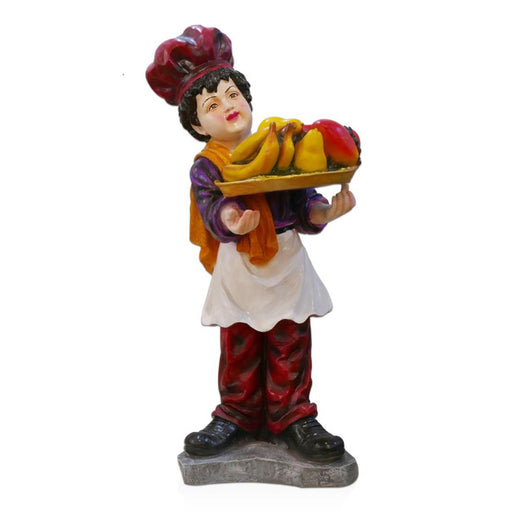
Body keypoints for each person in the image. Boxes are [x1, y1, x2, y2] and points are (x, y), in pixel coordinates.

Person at [146, 25, 357, 463]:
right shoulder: (208, 166)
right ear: (196, 124)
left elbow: (303, 197)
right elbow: (210, 205)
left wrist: (324, 212)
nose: (228, 106)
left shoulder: (276, 145)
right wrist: (232, 220)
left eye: (233, 95)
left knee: (289, 340)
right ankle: (237, 414)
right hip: (239, 263)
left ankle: (293, 413)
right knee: (239, 341)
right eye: (212, 104)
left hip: (285, 258)